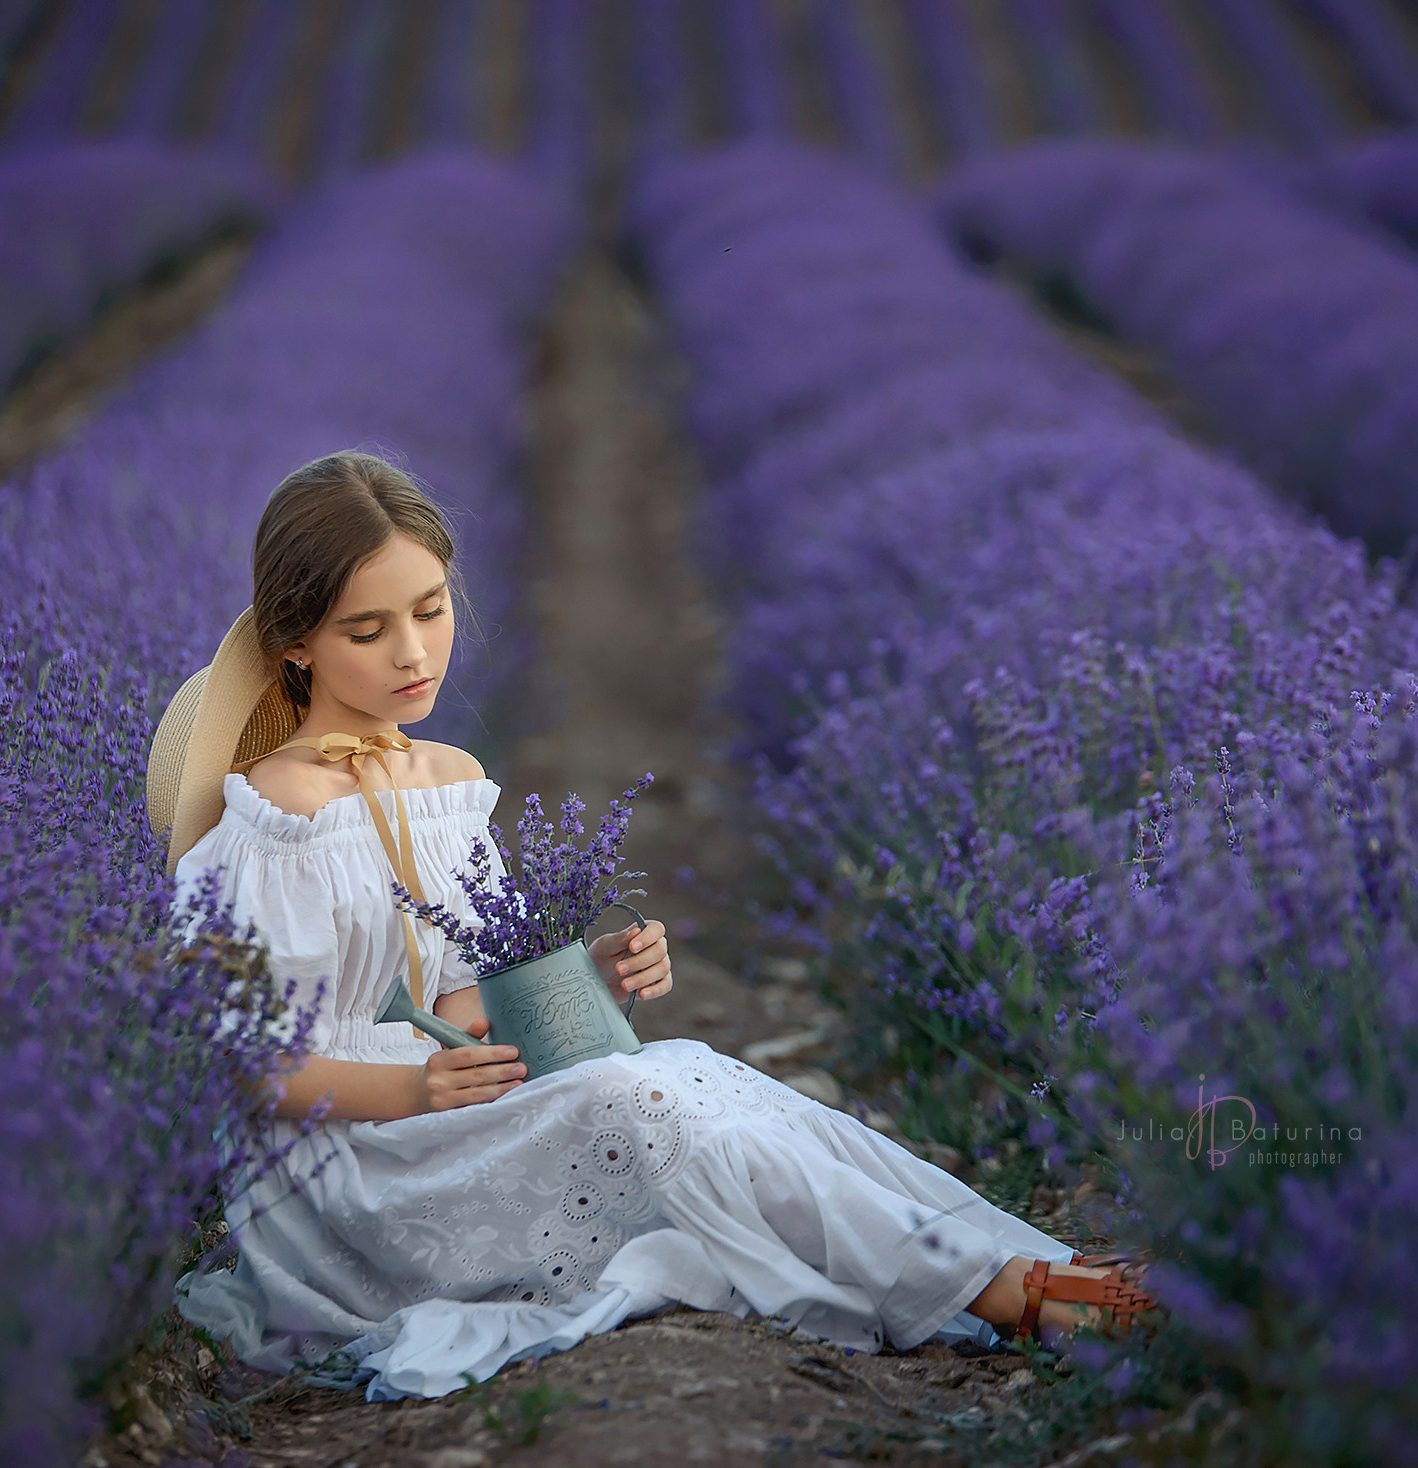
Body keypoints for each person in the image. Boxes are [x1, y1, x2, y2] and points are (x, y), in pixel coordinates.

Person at [150, 451, 1156, 1399]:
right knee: (641, 1100)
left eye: (431, 608)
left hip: (436, 1113)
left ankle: (1028, 1265)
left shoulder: (446, 781)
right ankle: (1012, 1298)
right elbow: (246, 1067)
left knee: (701, 1075)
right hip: (347, 1171)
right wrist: (412, 1087)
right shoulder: (273, 819)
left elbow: (453, 1006)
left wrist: (585, 980)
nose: (414, 652)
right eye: (367, 631)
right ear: (296, 647)